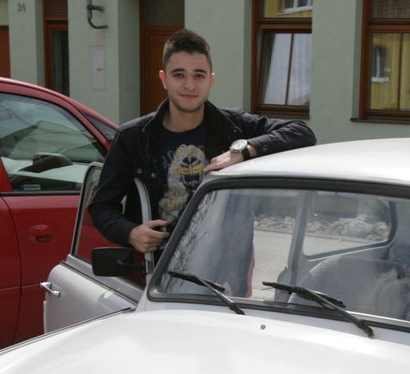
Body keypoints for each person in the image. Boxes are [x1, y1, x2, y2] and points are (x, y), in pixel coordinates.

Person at [89, 27, 316, 259]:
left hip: (221, 270)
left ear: (211, 80)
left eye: (199, 75)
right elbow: (102, 206)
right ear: (163, 79)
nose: (190, 85)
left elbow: (301, 132)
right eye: (179, 75)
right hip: (156, 271)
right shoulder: (134, 136)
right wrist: (131, 233)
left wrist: (244, 150)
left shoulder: (233, 127)